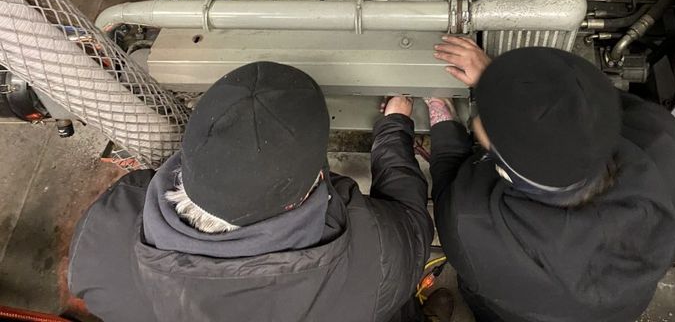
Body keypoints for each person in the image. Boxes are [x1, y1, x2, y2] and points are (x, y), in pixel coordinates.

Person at [68, 61, 433, 322]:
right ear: (310, 189)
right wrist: (393, 126)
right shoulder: (378, 259)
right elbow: (411, 216)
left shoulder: (98, 248)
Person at [427, 36, 675, 322]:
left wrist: (442, 117)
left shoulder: (473, 224)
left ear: (505, 167)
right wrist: (502, 84)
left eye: (483, 119)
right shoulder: (663, 142)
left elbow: (448, 179)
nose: (478, 120)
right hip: (619, 309)